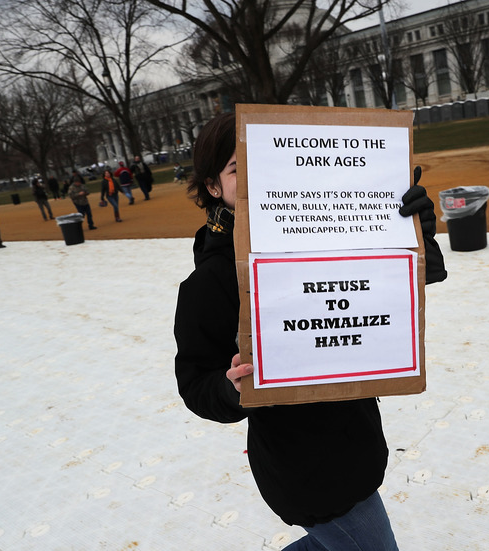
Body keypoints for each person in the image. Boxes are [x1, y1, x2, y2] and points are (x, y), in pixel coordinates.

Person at [172, 113, 446, 551]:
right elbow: (196, 384)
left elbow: (408, 287)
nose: (258, 179)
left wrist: (414, 233)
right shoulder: (211, 282)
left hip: (356, 442)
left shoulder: (326, 238)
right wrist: (229, 388)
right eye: (239, 170)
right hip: (306, 472)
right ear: (212, 187)